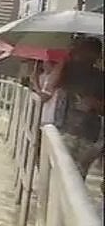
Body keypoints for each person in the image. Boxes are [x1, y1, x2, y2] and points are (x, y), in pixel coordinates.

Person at [40, 37, 104, 179]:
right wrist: (64, 59)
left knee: (76, 176)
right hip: (64, 129)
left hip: (88, 134)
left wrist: (93, 103)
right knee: (59, 173)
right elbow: (50, 85)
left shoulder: (100, 77)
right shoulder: (68, 70)